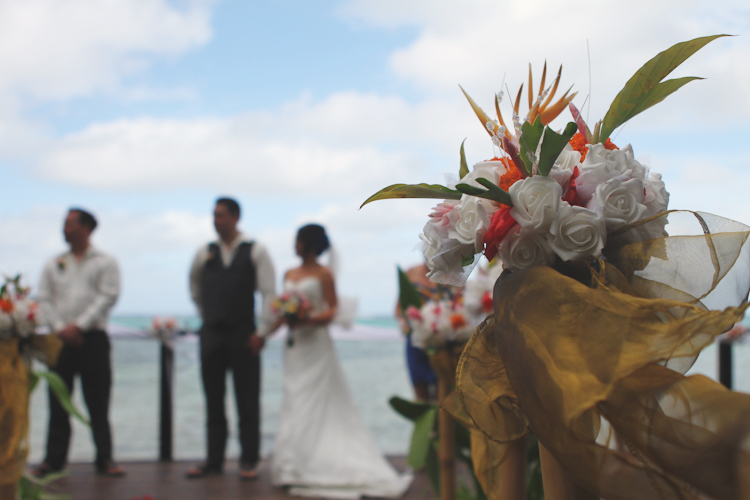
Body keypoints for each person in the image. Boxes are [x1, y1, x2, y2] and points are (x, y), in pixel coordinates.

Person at [270, 224, 412, 498]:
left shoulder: (324, 274)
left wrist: (306, 319)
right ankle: (292, 465)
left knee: (317, 400)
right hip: (294, 346)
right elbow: (281, 310)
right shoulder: (288, 273)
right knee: (293, 399)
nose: (294, 245)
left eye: (298, 241)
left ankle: (314, 464)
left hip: (316, 345)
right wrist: (265, 333)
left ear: (309, 245)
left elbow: (333, 311)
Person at [187, 197, 276, 480]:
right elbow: (194, 286)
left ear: (236, 217)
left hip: (243, 334)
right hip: (211, 333)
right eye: (214, 215)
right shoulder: (205, 252)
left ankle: (249, 460)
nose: (216, 220)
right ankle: (214, 460)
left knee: (247, 400)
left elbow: (269, 292)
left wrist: (262, 332)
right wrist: (206, 315)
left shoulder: (255, 250)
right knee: (213, 399)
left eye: (222, 215)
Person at [34, 208, 124, 477]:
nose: (65, 229)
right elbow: (44, 298)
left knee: (98, 400)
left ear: (86, 228)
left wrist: (80, 325)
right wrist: (61, 328)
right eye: (64, 225)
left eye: (70, 225)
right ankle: (54, 459)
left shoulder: (105, 262)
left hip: (92, 338)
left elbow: (107, 296)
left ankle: (105, 458)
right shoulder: (55, 263)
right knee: (58, 399)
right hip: (59, 339)